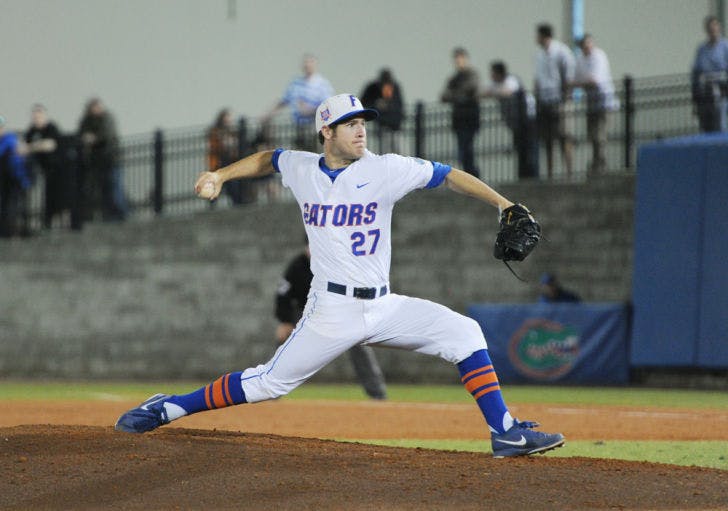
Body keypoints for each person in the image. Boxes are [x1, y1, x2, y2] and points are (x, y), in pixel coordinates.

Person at [116, 93, 565, 458]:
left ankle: (504, 432)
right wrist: (220, 174)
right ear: (326, 133)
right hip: (332, 308)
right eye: (350, 123)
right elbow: (267, 159)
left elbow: (448, 175)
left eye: (362, 121)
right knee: (269, 383)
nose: (360, 129)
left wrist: (504, 204)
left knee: (465, 332)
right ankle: (169, 408)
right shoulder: (302, 168)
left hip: (383, 305)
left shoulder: (385, 169)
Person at [275, 240, 387, 400]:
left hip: (337, 312)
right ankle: (271, 392)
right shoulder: (297, 266)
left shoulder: (336, 263)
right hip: (306, 313)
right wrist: (284, 321)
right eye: (310, 246)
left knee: (359, 345)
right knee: (284, 342)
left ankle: (378, 394)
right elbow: (283, 295)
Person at [262, 54, 334, 152]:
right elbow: (284, 100)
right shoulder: (295, 83)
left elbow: (327, 106)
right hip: (298, 126)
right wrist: (268, 114)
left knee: (313, 152)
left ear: (315, 65)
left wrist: (308, 110)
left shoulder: (322, 84)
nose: (308, 65)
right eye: (306, 63)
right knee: (299, 152)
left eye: (310, 62)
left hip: (314, 126)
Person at [481, 61, 539, 180]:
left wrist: (494, 92)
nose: (491, 75)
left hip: (527, 119)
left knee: (530, 148)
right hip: (514, 122)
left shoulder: (511, 80)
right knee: (520, 149)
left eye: (493, 72)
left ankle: (533, 176)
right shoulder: (495, 84)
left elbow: (507, 92)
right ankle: (523, 176)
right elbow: (483, 93)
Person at [572, 34, 618, 175]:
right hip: (591, 103)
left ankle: (600, 166)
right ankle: (595, 165)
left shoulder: (599, 56)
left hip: (604, 103)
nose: (588, 48)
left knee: (600, 136)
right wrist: (581, 83)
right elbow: (578, 80)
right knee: (592, 136)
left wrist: (580, 83)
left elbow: (594, 80)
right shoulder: (580, 60)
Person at [534, 23, 575, 178]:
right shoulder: (539, 55)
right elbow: (538, 79)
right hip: (544, 101)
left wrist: (565, 99)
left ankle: (569, 172)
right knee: (548, 139)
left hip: (559, 100)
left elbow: (568, 77)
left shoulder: (561, 52)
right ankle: (550, 173)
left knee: (564, 136)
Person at [78, 98, 127, 221]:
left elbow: (107, 135)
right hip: (96, 162)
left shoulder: (107, 118)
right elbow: (81, 134)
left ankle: (122, 215)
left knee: (115, 189)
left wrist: (93, 138)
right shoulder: (86, 121)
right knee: (103, 191)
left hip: (111, 160)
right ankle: (109, 216)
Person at [24, 104, 68, 228]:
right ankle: (45, 221)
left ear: (44, 116)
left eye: (39, 116)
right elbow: (25, 146)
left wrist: (33, 147)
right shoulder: (32, 130)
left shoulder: (52, 128)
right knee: (42, 196)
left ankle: (58, 222)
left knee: (57, 198)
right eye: (35, 116)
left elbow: (50, 145)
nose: (36, 118)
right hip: (39, 168)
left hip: (56, 168)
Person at [441, 47, 481, 177]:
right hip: (459, 119)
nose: (458, 62)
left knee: (467, 151)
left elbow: (469, 90)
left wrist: (456, 95)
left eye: (460, 59)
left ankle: (473, 177)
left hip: (469, 117)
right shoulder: (454, 78)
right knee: (462, 151)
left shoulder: (471, 74)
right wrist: (457, 95)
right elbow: (444, 96)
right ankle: (469, 177)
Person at [691, 15, 728, 132]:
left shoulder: (725, 47)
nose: (713, 31)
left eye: (715, 28)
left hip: (721, 92)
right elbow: (696, 71)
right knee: (705, 126)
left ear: (719, 28)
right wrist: (695, 93)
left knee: (720, 123)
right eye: (710, 29)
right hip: (705, 94)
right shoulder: (702, 49)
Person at [207, 108, 252, 205]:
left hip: (230, 162)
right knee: (219, 184)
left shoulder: (233, 133)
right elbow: (223, 146)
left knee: (234, 184)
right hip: (219, 164)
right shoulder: (216, 132)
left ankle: (238, 202)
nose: (230, 121)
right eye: (227, 119)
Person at [0, 115, 33, 238]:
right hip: (9, 178)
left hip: (15, 178)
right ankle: (9, 230)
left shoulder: (9, 139)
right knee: (9, 204)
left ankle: (15, 230)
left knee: (14, 205)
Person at [360, 68, 405, 154]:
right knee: (384, 151)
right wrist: (376, 105)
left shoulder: (395, 87)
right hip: (381, 125)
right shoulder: (373, 87)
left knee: (398, 150)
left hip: (395, 125)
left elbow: (399, 105)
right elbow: (364, 102)